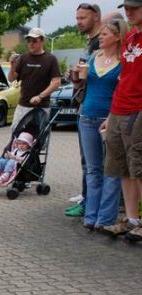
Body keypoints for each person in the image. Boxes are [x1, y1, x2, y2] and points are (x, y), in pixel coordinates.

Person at [76, 19, 127, 230]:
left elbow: (122, 92)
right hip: (87, 116)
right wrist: (77, 77)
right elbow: (79, 83)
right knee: (93, 169)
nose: (101, 37)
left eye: (105, 34)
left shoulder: (124, 62)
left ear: (116, 37)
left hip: (110, 119)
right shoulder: (93, 57)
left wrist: (112, 116)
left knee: (111, 170)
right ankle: (91, 216)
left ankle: (105, 218)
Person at [99, 0, 142, 242]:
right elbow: (125, 76)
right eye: (127, 8)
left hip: (139, 109)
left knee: (139, 166)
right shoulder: (130, 37)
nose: (129, 12)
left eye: (135, 7)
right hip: (118, 108)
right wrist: (111, 114)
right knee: (121, 166)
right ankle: (131, 219)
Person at [67, 3, 103, 213]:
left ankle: (90, 202)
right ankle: (85, 198)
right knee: (86, 160)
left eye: (83, 18)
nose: (79, 22)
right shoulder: (89, 42)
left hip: (96, 109)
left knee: (94, 162)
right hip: (84, 106)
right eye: (78, 18)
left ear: (96, 16)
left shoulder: (102, 41)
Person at [7, 28, 62, 132]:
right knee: (16, 136)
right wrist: (12, 65)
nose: (31, 44)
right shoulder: (23, 57)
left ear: (42, 41)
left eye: (34, 41)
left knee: (37, 140)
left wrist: (40, 96)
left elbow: (56, 82)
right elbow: (11, 78)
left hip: (41, 107)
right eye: (29, 41)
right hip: (23, 105)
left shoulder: (51, 59)